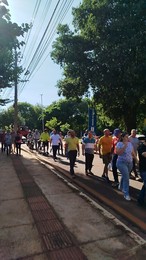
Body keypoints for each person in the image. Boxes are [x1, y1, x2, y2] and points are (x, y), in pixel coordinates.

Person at [116, 132, 138, 201]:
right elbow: (118, 153)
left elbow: (133, 153)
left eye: (127, 136)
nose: (127, 138)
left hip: (130, 163)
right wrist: (124, 146)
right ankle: (126, 194)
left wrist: (136, 160)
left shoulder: (130, 144)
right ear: (122, 137)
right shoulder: (119, 144)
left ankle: (121, 185)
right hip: (121, 163)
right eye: (126, 136)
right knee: (126, 177)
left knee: (125, 175)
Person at [137, 137, 146, 207]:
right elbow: (144, 154)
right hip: (143, 169)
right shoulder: (141, 147)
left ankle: (140, 199)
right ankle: (140, 200)